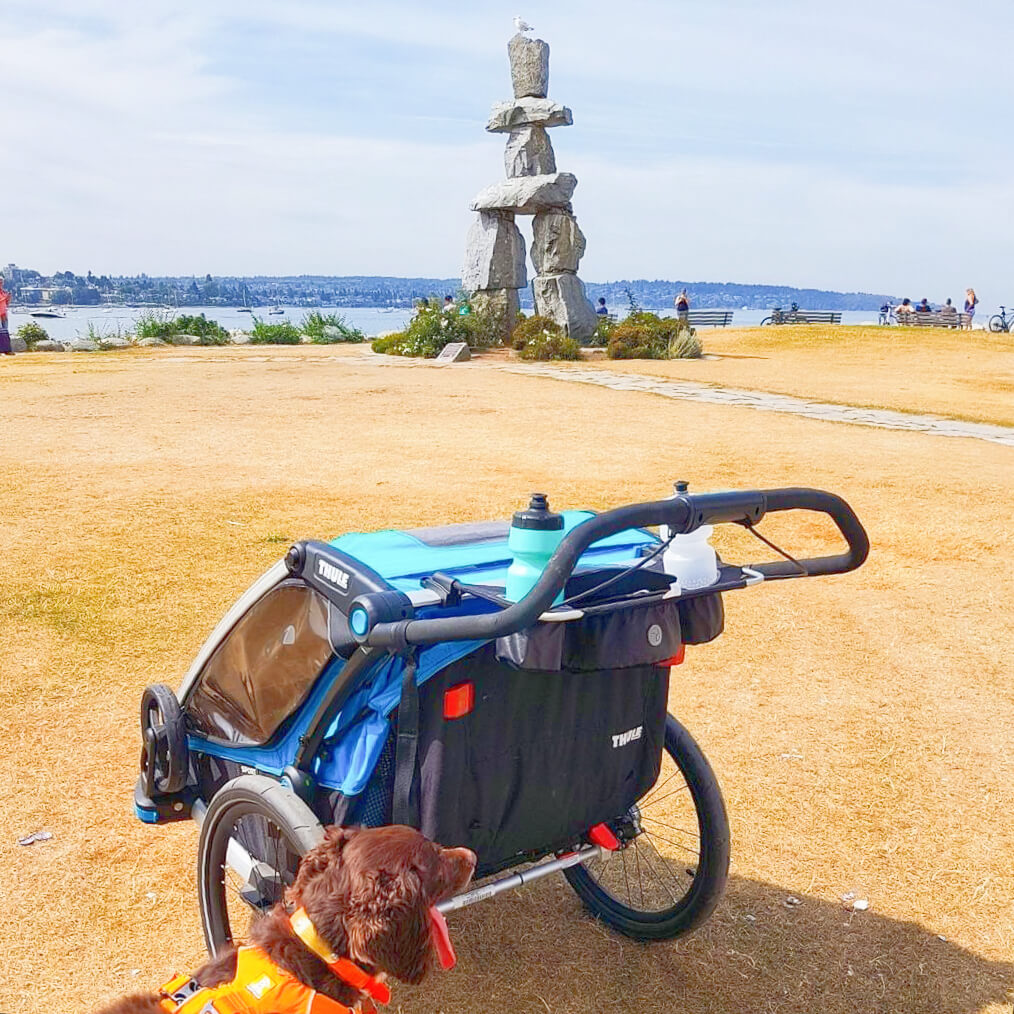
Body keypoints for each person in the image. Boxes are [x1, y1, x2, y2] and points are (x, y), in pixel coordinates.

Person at [0, 275, 12, 355]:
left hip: (4, 314)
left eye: (1, 282)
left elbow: (6, 304)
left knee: (5, 332)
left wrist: (8, 298)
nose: (0, 283)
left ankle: (6, 349)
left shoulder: (3, 292)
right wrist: (5, 298)